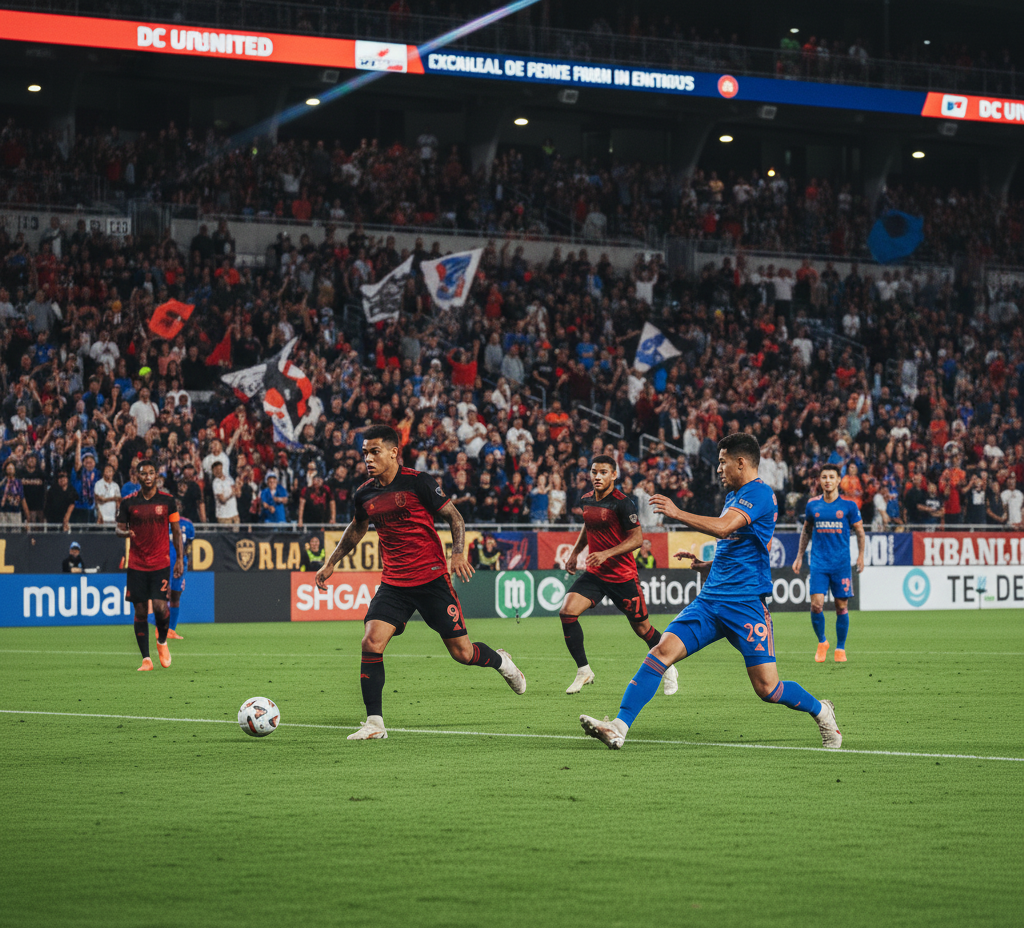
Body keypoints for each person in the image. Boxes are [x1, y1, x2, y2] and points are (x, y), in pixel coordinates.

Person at [579, 434, 841, 751]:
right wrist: (708, 564)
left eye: (722, 462)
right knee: (660, 652)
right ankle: (618, 727)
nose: (718, 469)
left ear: (740, 462)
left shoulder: (759, 493)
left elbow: (723, 528)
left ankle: (822, 711)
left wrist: (677, 512)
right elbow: (737, 544)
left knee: (768, 689)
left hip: (745, 606)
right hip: (710, 601)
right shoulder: (734, 496)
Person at [315, 425, 526, 741]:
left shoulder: (418, 482)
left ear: (393, 452)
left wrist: (457, 554)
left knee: (463, 653)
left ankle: (502, 662)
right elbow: (357, 527)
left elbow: (455, 517)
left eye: (374, 452)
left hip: (431, 581)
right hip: (394, 583)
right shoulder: (365, 493)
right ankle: (375, 723)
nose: (368, 459)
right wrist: (331, 562)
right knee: (371, 642)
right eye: (365, 453)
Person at [559, 455, 678, 697]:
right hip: (596, 574)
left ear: (614, 475)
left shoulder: (623, 503)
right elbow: (588, 526)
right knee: (567, 612)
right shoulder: (586, 499)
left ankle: (668, 666)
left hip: (622, 576)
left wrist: (606, 553)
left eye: (603, 472)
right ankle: (584, 670)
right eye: (594, 472)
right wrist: (575, 553)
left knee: (643, 629)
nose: (597, 476)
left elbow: (637, 539)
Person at [792, 464, 866, 663]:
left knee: (841, 606)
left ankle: (840, 648)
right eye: (824, 477)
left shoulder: (849, 506)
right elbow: (806, 531)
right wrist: (799, 556)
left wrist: (861, 556)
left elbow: (860, 532)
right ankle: (822, 641)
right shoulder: (812, 505)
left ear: (838, 480)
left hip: (841, 564)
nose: (827, 481)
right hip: (819, 563)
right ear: (819, 480)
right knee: (816, 605)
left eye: (831, 477)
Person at [116, 461, 184, 672]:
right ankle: (146, 659)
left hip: (160, 563)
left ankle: (162, 641)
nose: (147, 476)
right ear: (137, 476)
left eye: (151, 473)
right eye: (143, 473)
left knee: (161, 607)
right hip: (137, 564)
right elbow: (118, 529)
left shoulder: (168, 501)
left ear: (156, 476)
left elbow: (176, 532)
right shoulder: (128, 503)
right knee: (140, 610)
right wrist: (126, 533)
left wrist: (180, 559)